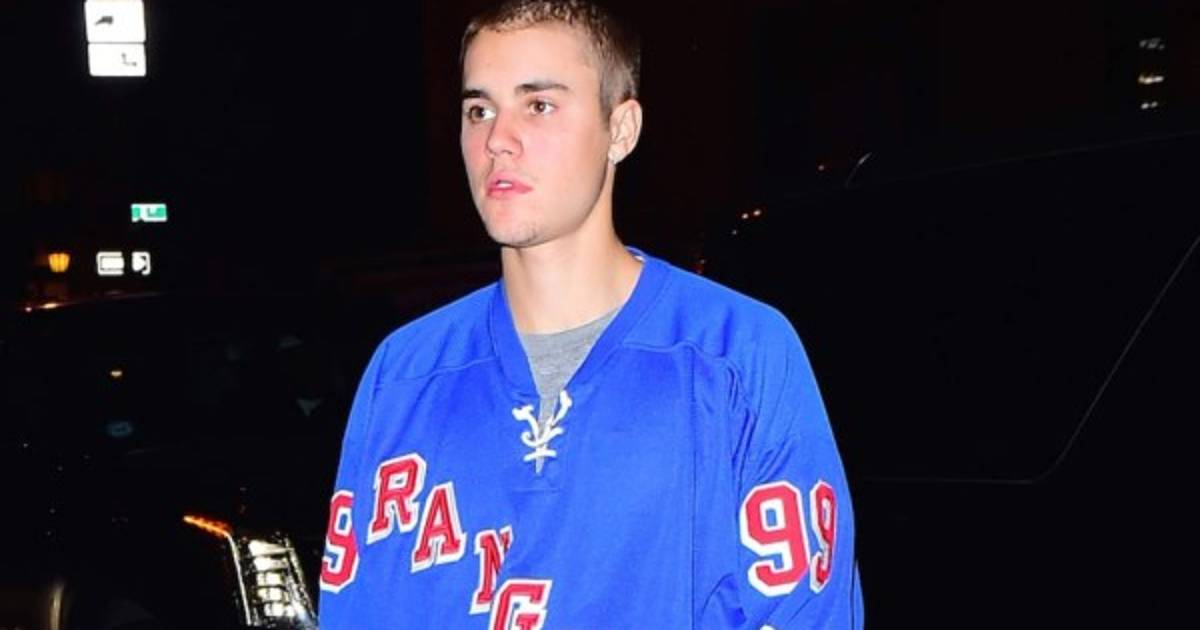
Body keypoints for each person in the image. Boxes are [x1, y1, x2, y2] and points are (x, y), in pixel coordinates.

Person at [318, 1, 863, 627]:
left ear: (621, 130)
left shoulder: (734, 353)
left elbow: (806, 612)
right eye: (479, 110)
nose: (497, 139)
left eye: (538, 105)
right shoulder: (405, 373)